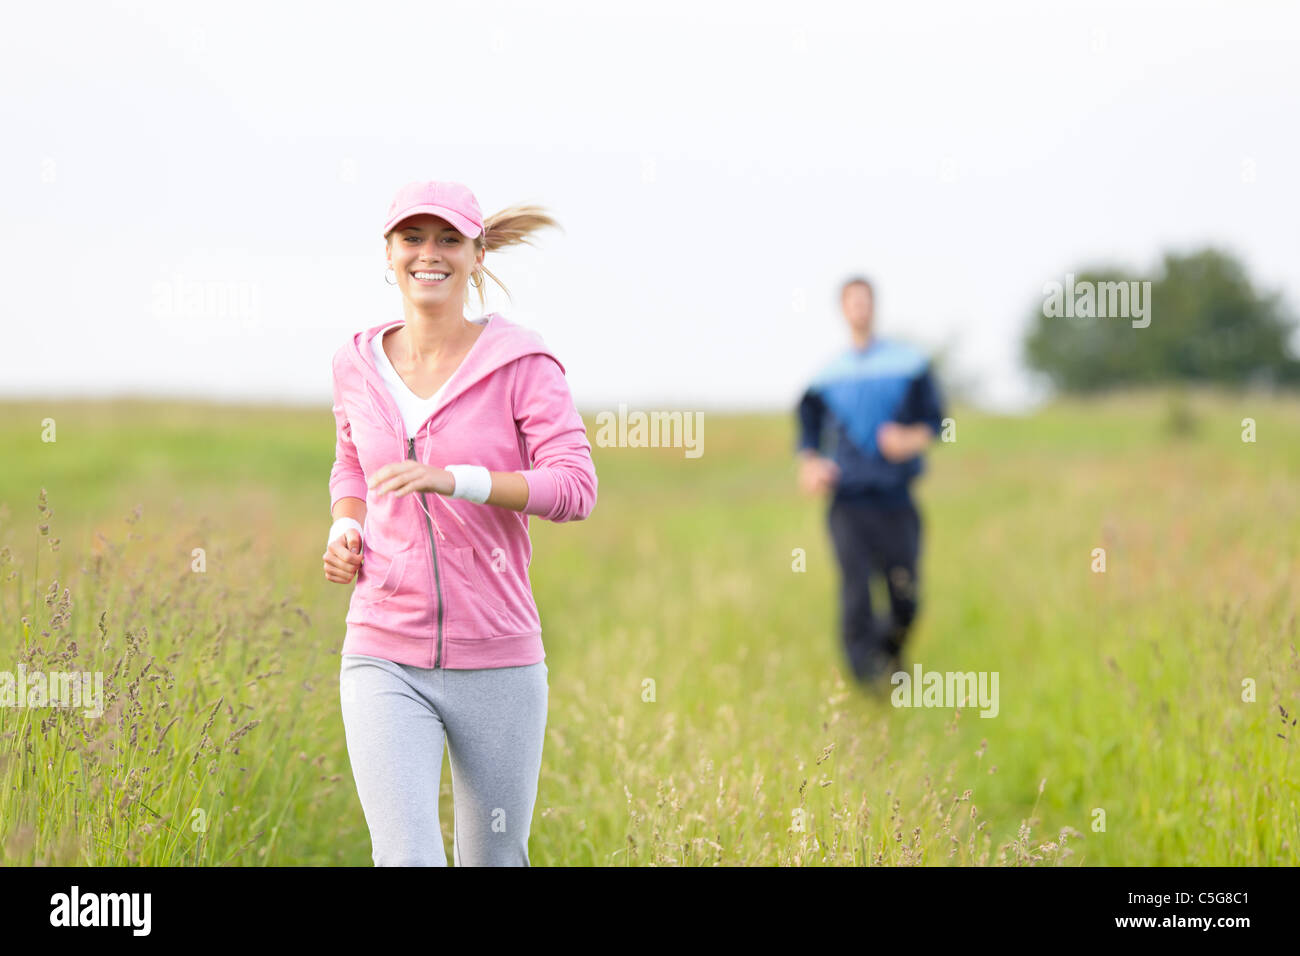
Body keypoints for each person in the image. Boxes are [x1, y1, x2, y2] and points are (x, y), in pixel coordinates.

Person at [323, 179, 597, 866]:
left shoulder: (522, 365)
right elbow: (351, 464)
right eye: (412, 238)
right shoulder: (355, 364)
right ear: (387, 254)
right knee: (406, 858)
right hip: (383, 650)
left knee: (495, 858)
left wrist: (457, 481)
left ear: (477, 254)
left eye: (448, 239)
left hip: (497, 655)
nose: (429, 254)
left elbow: (574, 487)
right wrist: (344, 529)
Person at [795, 276, 944, 687]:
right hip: (847, 502)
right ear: (843, 310)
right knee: (856, 594)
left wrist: (910, 439)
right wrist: (810, 465)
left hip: (896, 499)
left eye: (865, 300)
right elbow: (807, 432)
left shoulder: (909, 365)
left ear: (874, 306)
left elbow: (938, 422)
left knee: (906, 597)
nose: (859, 307)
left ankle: (890, 662)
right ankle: (868, 685)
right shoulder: (826, 375)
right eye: (851, 302)